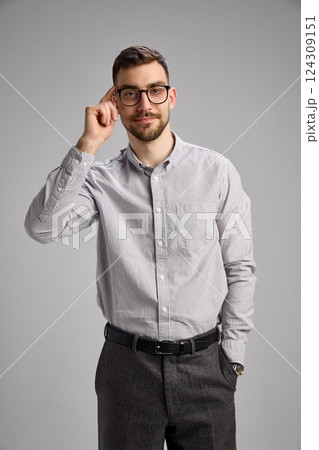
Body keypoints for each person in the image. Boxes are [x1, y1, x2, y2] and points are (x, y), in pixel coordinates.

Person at [24, 45, 257, 450]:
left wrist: (232, 357)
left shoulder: (216, 172)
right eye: (130, 92)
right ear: (116, 101)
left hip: (206, 367)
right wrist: (88, 144)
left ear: (172, 96)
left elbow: (239, 267)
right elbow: (43, 228)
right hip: (126, 369)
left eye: (155, 90)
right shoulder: (99, 180)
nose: (144, 103)